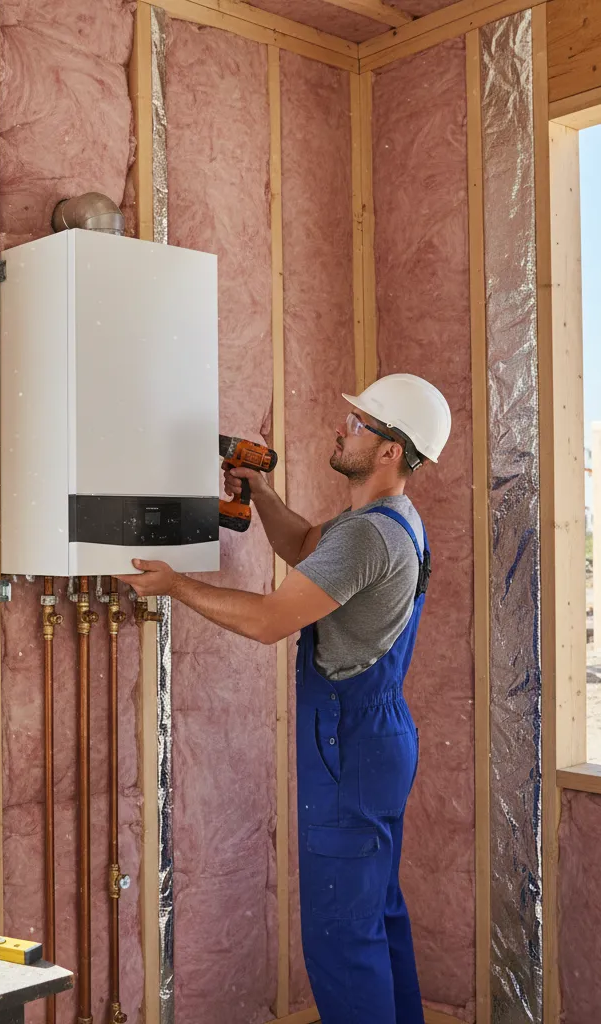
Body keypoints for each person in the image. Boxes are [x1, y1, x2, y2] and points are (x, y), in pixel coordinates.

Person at [118, 373, 452, 1024]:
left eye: (358, 425)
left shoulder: (367, 536)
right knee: (375, 914)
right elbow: (304, 547)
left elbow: (272, 621)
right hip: (377, 737)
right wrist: (262, 494)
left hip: (348, 746)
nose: (341, 428)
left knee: (340, 935)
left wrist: (175, 585)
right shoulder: (388, 521)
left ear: (389, 450)